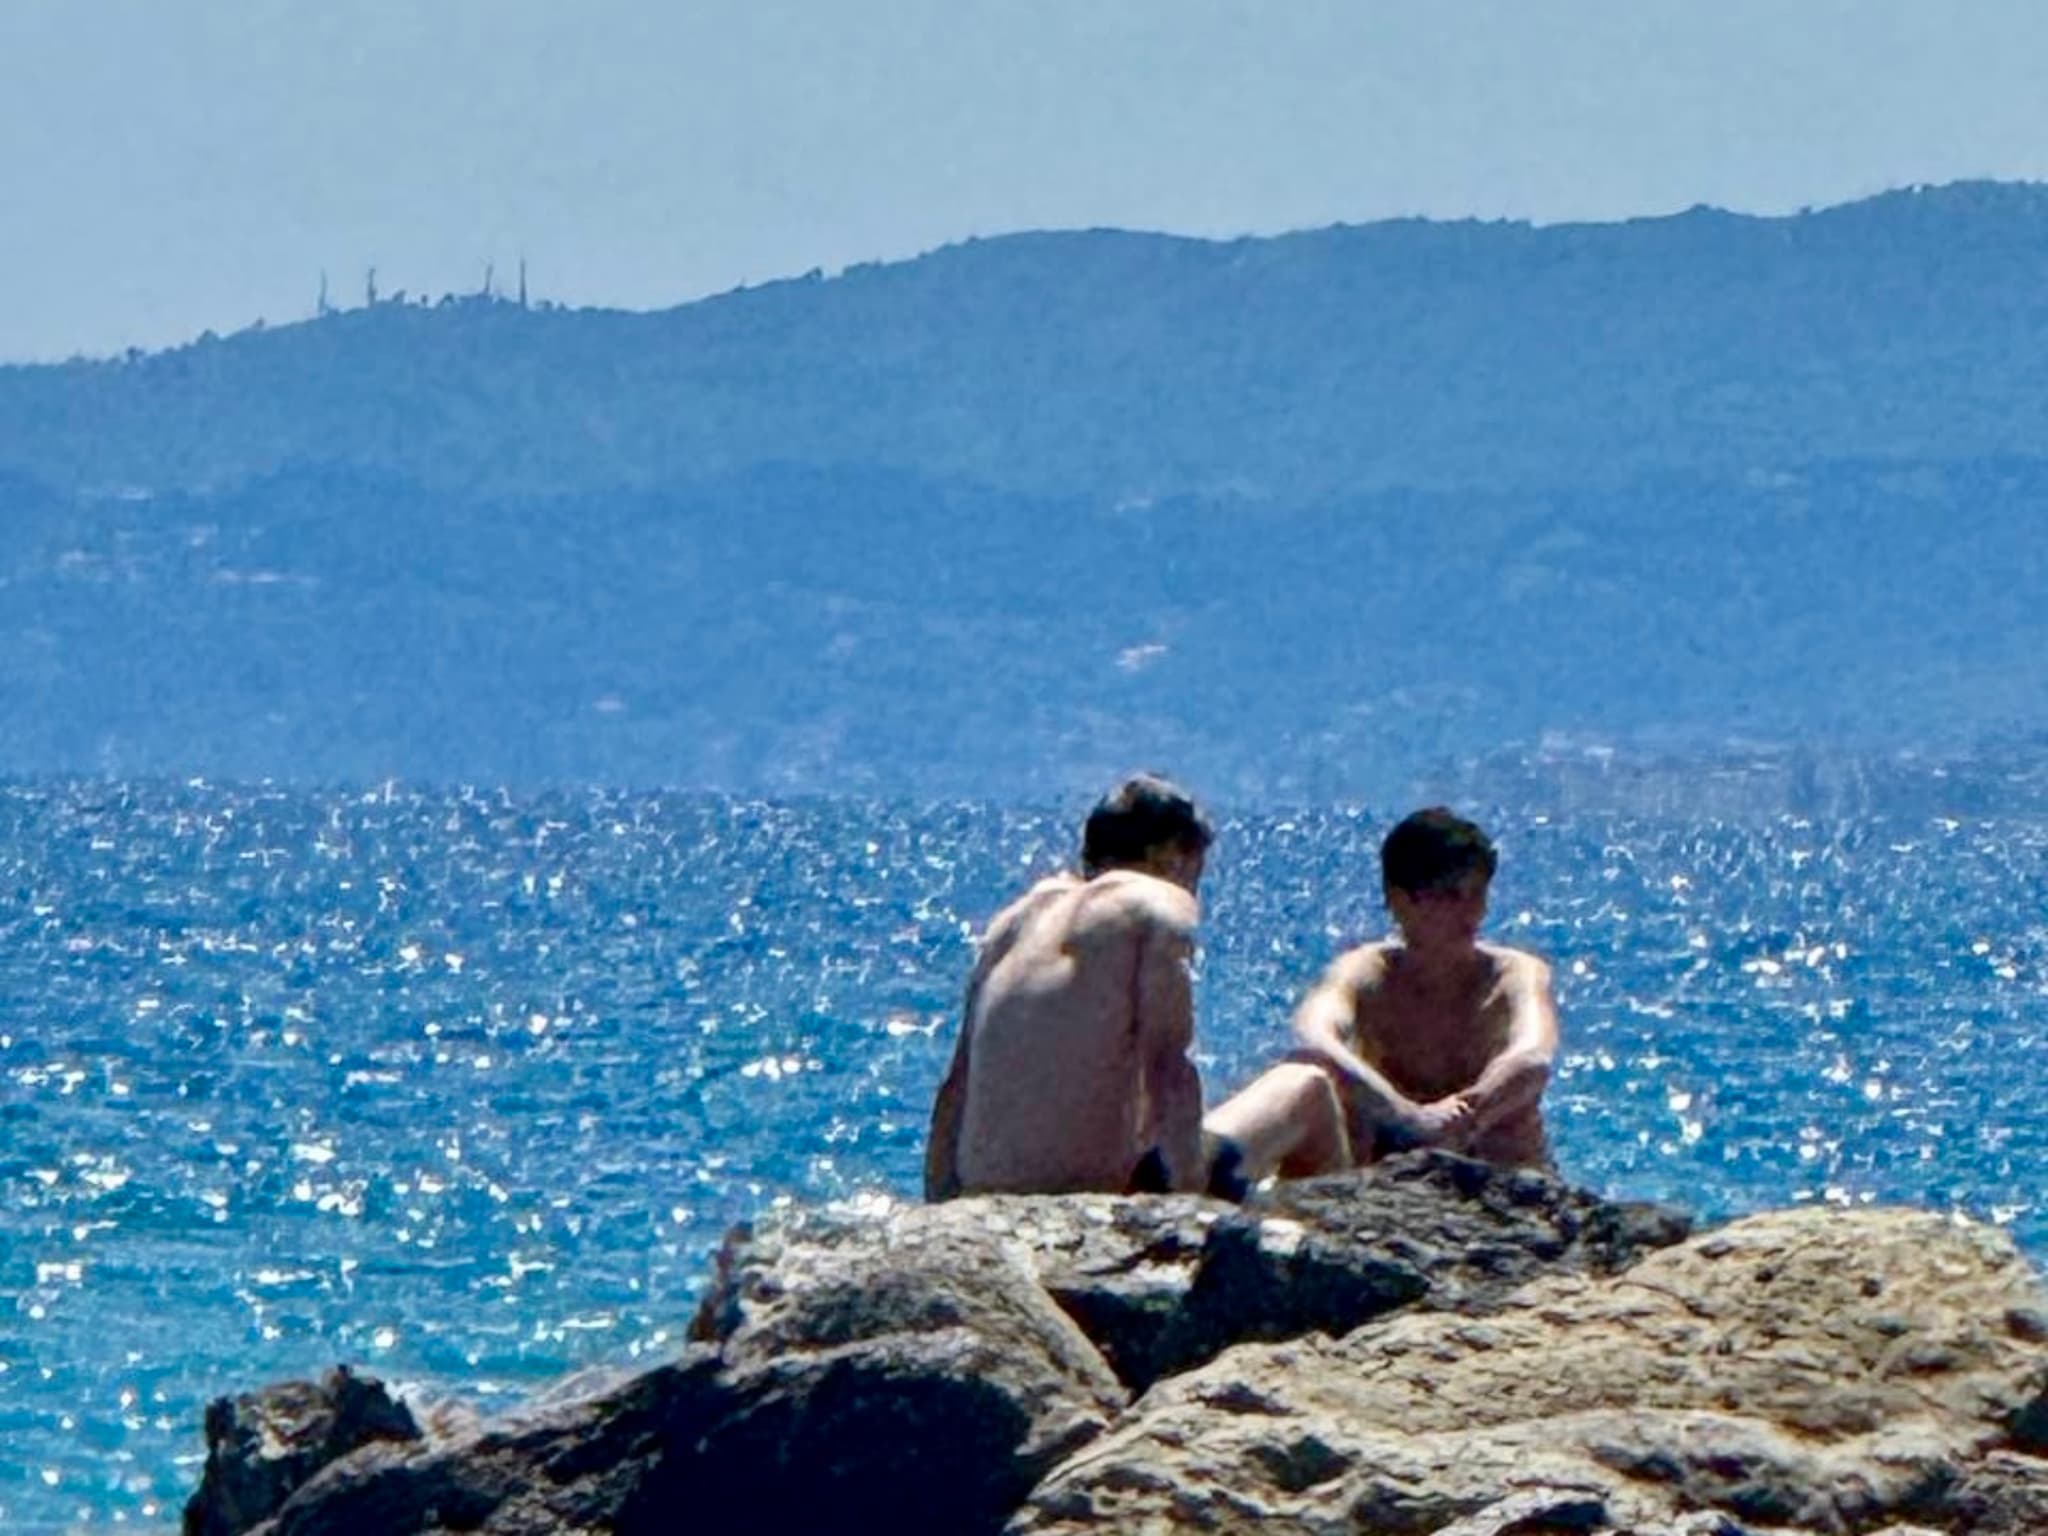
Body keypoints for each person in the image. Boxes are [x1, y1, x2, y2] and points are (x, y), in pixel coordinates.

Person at [924, 773, 1218, 1200]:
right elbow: (1168, 1070)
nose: (1195, 888)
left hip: (983, 1192)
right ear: (1168, 856)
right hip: (1084, 1191)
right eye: (1196, 870)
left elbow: (956, 1086)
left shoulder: (1016, 919)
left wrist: (939, 1210)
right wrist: (1194, 1208)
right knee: (1307, 1091)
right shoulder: (1157, 901)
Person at [1277, 806, 1559, 1169]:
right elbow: (1312, 1036)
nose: (1472, 910)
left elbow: (1532, 1054)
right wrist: (1408, 1117)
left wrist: (1462, 1116)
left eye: (1478, 893)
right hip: (1390, 1170)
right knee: (1307, 1088)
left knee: (1513, 1115)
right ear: (1400, 900)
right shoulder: (1365, 973)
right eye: (1451, 895)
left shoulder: (1513, 974)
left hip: (1497, 1175)